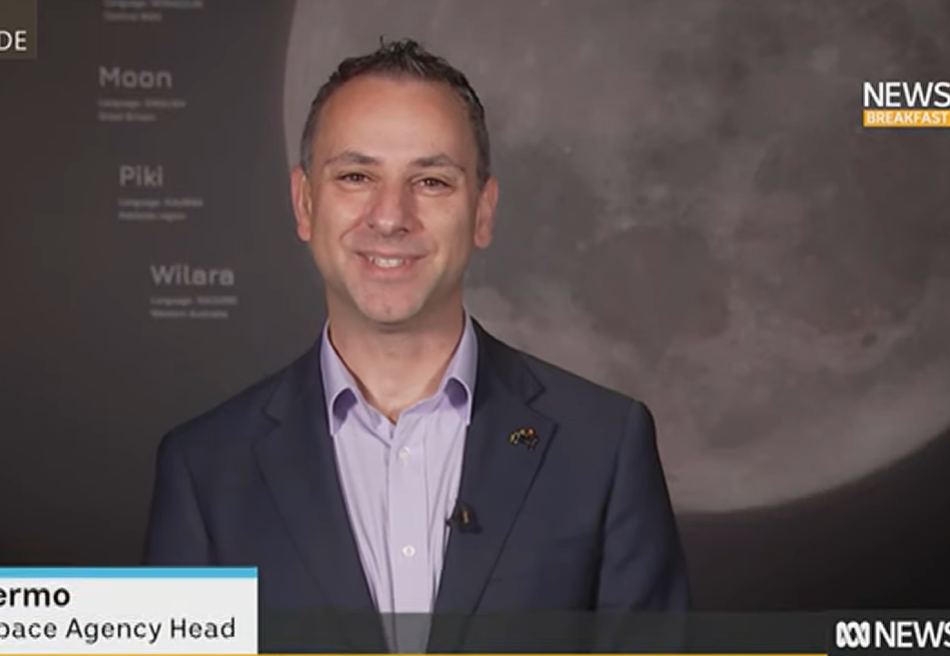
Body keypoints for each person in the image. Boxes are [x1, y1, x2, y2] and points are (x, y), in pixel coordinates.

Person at [144, 38, 689, 652]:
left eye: (430, 181)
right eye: (356, 176)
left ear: (483, 213)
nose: (390, 216)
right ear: (304, 203)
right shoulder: (205, 469)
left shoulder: (605, 446)